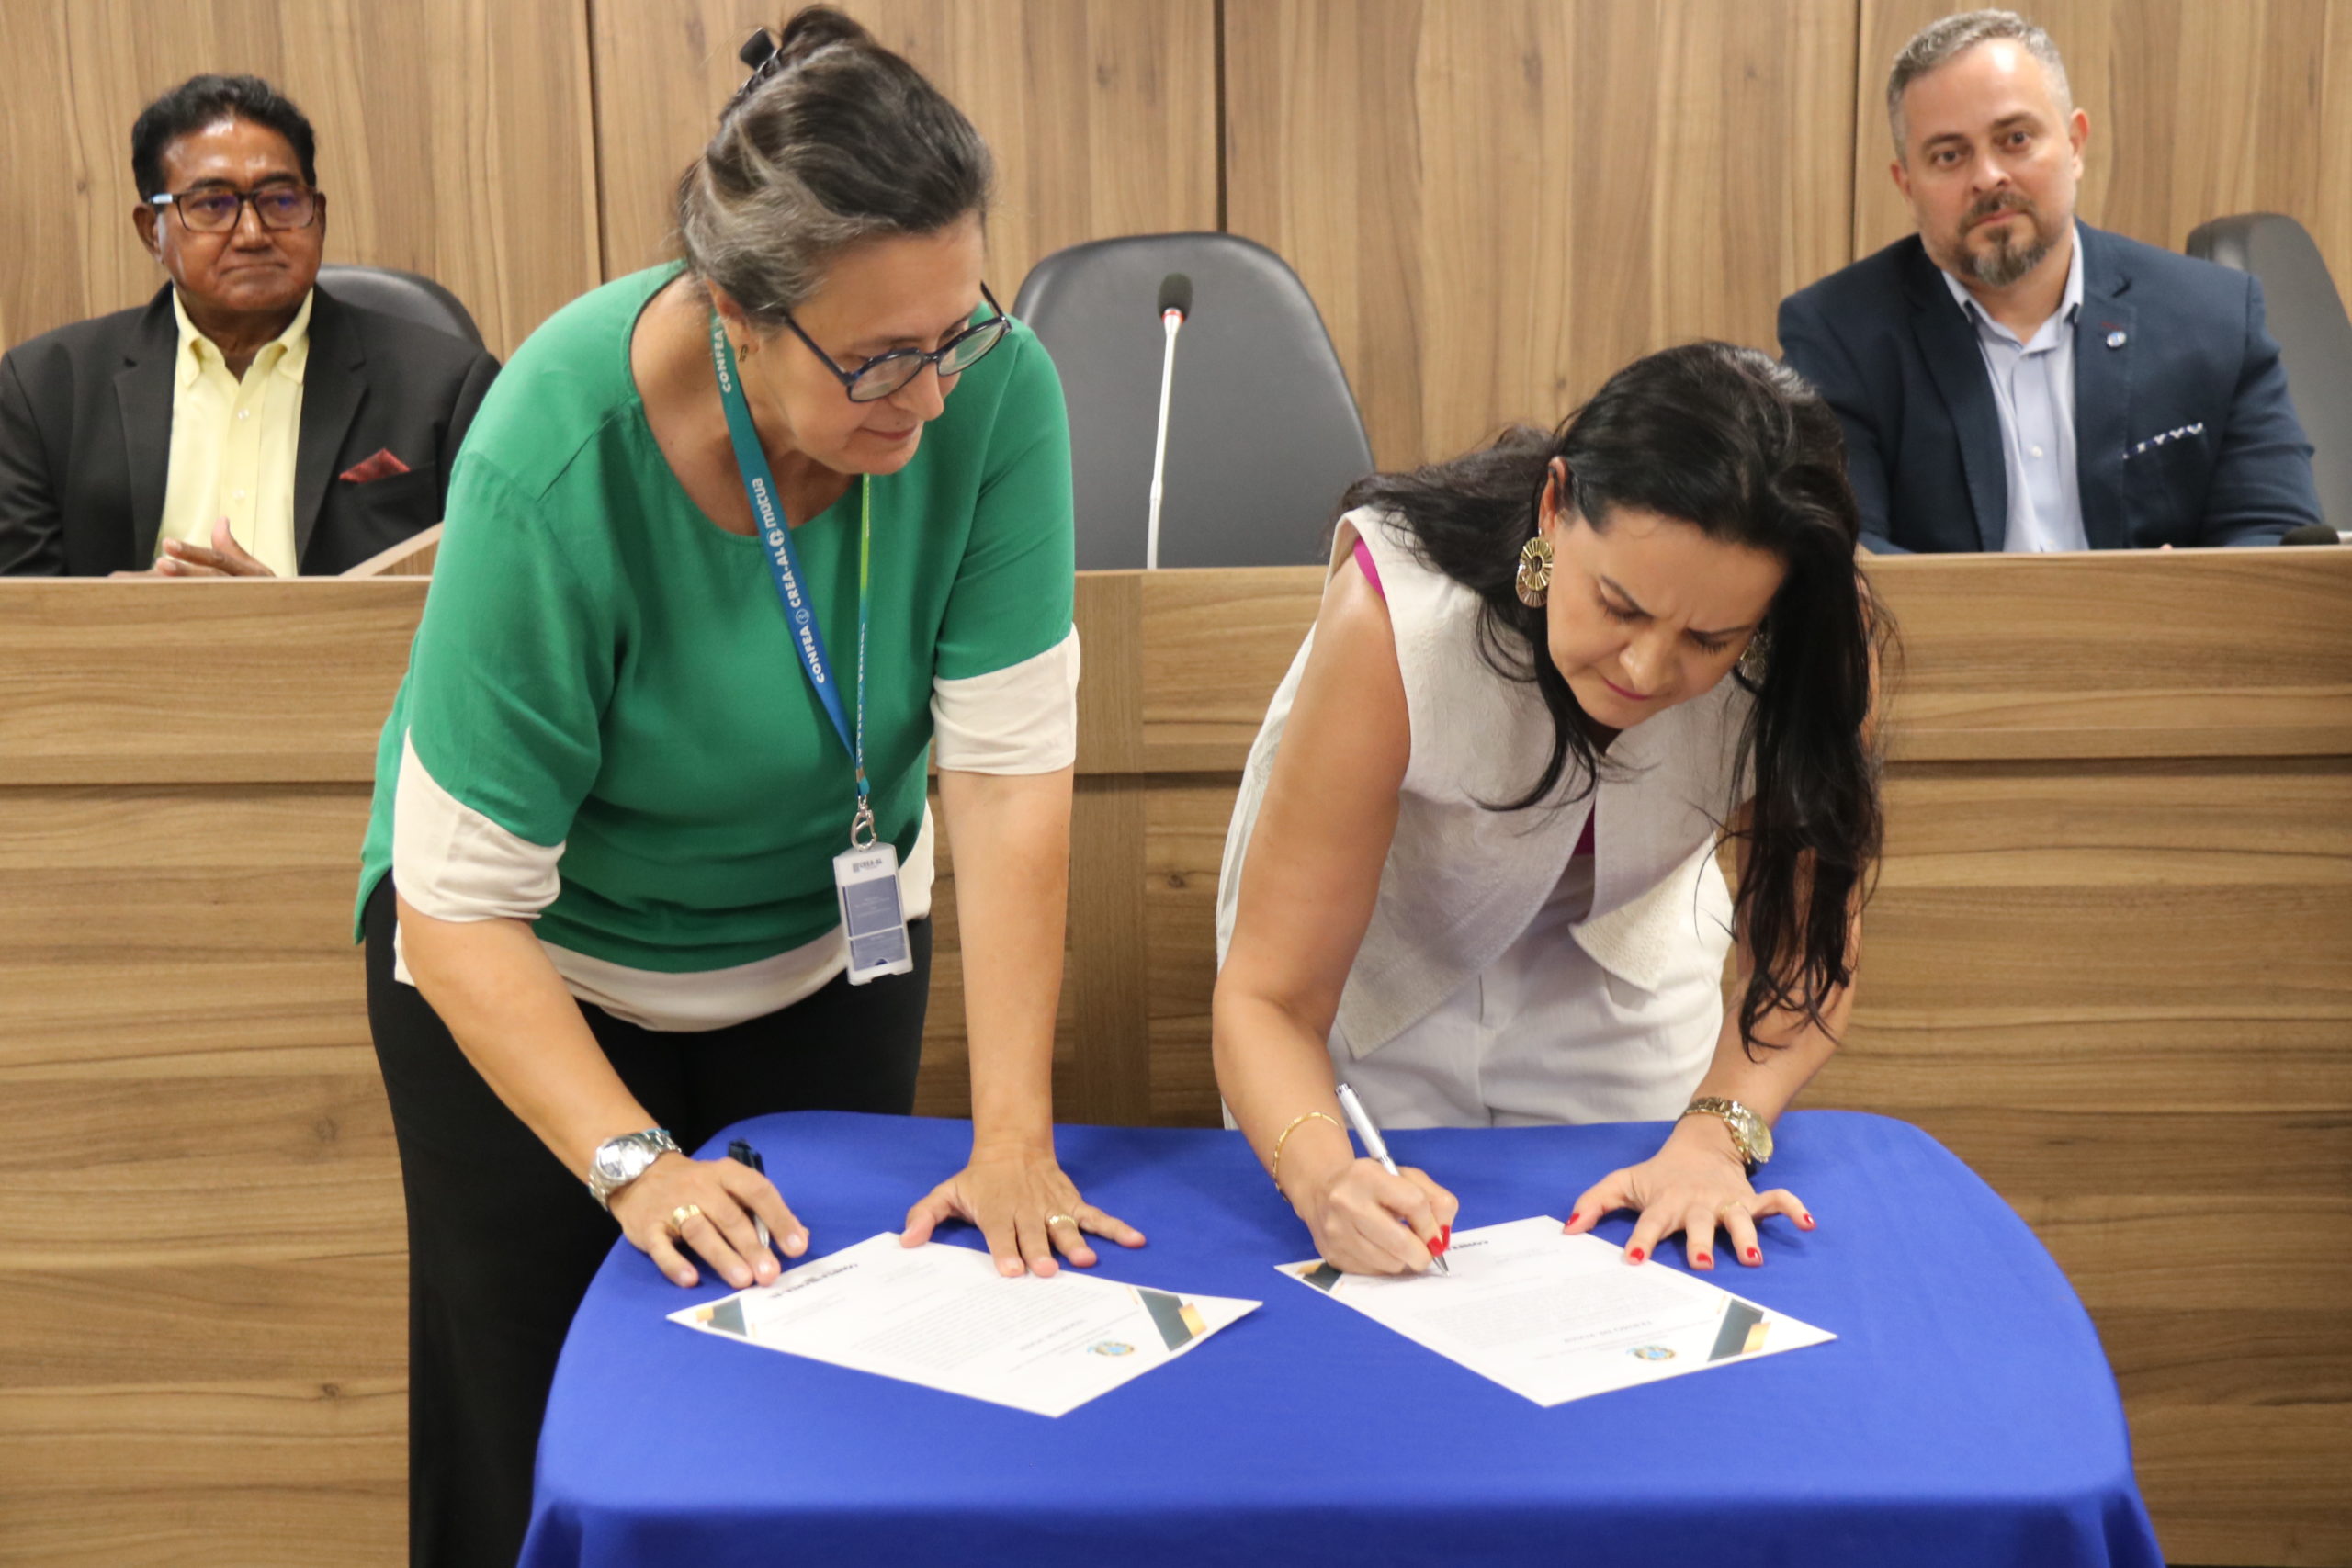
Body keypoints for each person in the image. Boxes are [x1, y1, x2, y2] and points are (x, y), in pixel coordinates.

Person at [354, 13, 1139, 1564]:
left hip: (824, 939)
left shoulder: (996, 390)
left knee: (818, 1400)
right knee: (539, 1413)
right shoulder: (554, 449)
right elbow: (458, 910)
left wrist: (1012, 1132)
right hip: (539, 964)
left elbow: (1004, 775)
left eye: (956, 330)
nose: (931, 395)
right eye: (881, 357)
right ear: (736, 311)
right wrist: (631, 1160)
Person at [1213, 343, 1882, 1278]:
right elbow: (1268, 997)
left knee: (1642, 1277)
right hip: (1374, 971)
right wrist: (1325, 1178)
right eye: (1618, 605)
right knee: (1378, 1271)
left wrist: (1716, 1133)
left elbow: (1809, 951)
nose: (1645, 669)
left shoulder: (1811, 635)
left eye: (1709, 639)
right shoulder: (1396, 614)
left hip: (1626, 969)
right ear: (1554, 504)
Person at [1778, 10, 2320, 554]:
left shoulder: (2216, 316)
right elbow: (1844, 553)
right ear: (1907, 185)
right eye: (1949, 155)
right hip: (1944, 618)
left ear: (2075, 145)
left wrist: (2176, 596)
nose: (1988, 176)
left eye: (2015, 138)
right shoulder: (1837, 335)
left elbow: (2272, 534)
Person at [0, 73, 497, 577]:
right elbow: (22, 609)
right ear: (152, 232)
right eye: (212, 205)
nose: (253, 233)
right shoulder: (45, 393)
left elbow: (486, 591)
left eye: (281, 200)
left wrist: (279, 614)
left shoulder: (446, 386)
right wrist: (136, 614)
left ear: (318, 216)